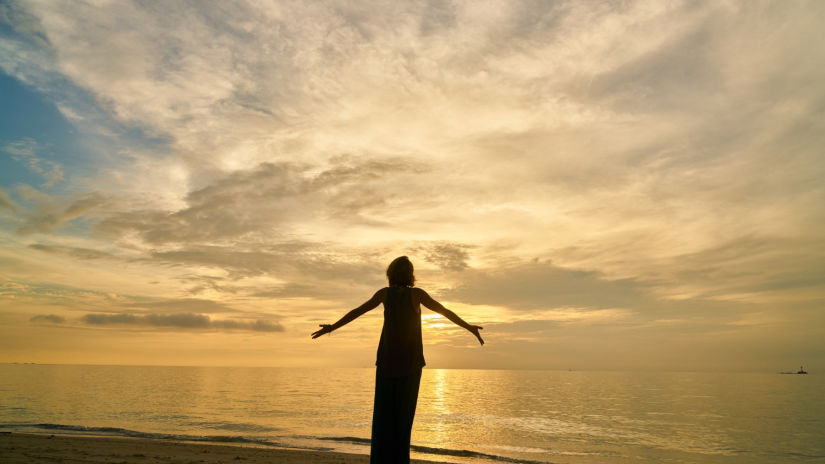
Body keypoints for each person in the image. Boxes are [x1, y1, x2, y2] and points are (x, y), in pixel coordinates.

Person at [311, 256, 484, 463]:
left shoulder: (385, 294)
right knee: (403, 420)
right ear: (411, 274)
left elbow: (357, 311)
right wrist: (469, 327)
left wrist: (332, 327)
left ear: (390, 274)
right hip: (410, 364)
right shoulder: (416, 294)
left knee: (384, 418)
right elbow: (444, 312)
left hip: (387, 362)